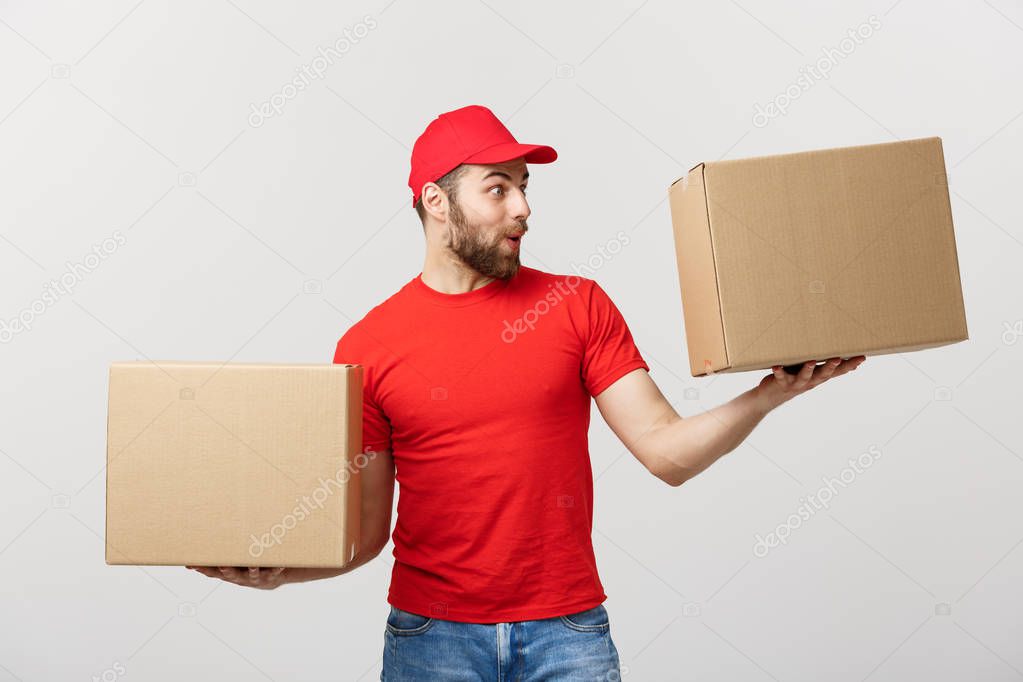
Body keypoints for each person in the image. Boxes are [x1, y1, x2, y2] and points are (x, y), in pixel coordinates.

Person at [188, 104, 865, 680]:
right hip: (432, 642)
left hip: (568, 635)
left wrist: (767, 396)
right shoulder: (368, 346)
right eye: (498, 189)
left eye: (523, 185)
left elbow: (665, 453)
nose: (523, 208)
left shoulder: (577, 306)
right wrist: (283, 571)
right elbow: (365, 536)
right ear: (434, 200)